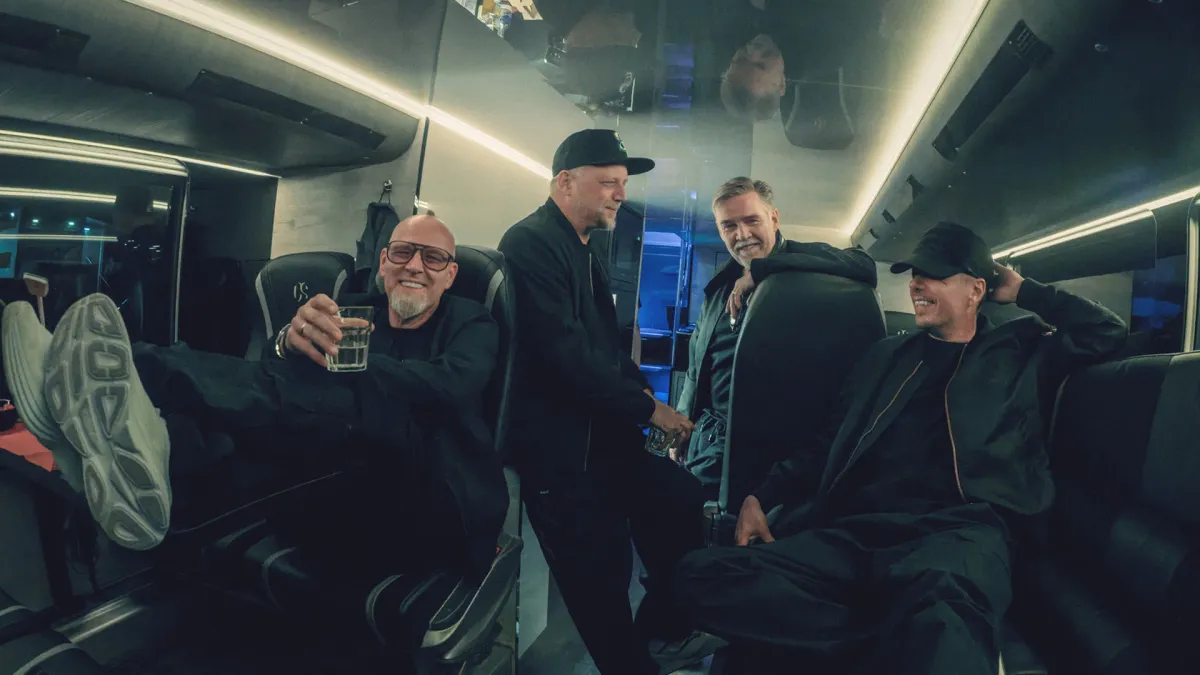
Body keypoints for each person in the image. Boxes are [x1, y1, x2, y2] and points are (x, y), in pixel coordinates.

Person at [671, 222, 1128, 674]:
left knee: (943, 623)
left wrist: (1025, 290)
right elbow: (829, 443)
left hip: (961, 533)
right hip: (862, 532)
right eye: (915, 274)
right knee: (700, 576)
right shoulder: (884, 358)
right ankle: (891, 636)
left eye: (935, 275)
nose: (917, 284)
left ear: (976, 290)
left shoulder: (1020, 351)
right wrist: (762, 495)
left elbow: (1105, 332)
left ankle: (894, 631)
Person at [2, 214, 508, 586]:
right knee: (260, 416)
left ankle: (126, 372)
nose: (415, 265)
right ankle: (113, 444)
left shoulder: (470, 320)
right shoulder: (355, 307)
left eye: (433, 258)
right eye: (402, 252)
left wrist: (345, 371)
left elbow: (450, 388)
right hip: (342, 474)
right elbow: (275, 370)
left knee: (303, 404)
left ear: (450, 275)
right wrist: (289, 339)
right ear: (383, 262)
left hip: (428, 485)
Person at [498, 129, 722, 675]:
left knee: (679, 497)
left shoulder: (586, 245)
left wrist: (641, 388)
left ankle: (665, 630)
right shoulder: (530, 242)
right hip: (561, 455)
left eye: (622, 183)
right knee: (600, 586)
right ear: (565, 182)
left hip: (602, 441)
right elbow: (564, 352)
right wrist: (649, 410)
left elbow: (602, 343)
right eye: (608, 183)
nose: (621, 194)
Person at [676, 177, 877, 500]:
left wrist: (764, 269)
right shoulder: (720, 286)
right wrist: (681, 425)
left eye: (752, 220)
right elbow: (698, 366)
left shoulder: (804, 267)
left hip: (776, 452)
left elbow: (863, 264)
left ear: (774, 218)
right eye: (729, 226)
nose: (742, 235)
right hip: (711, 447)